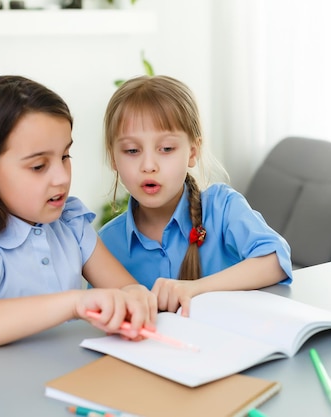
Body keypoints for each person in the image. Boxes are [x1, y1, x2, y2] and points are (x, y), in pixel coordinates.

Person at [0, 75, 157, 353]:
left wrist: (136, 298)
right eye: (38, 166)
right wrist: (73, 303)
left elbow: (126, 289)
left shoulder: (71, 225)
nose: (61, 177)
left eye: (65, 157)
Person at [99, 75, 293, 317]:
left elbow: (276, 260)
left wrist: (195, 289)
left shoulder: (222, 208)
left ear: (192, 152)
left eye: (166, 149)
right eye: (131, 150)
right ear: (113, 157)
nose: (148, 165)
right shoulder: (104, 245)